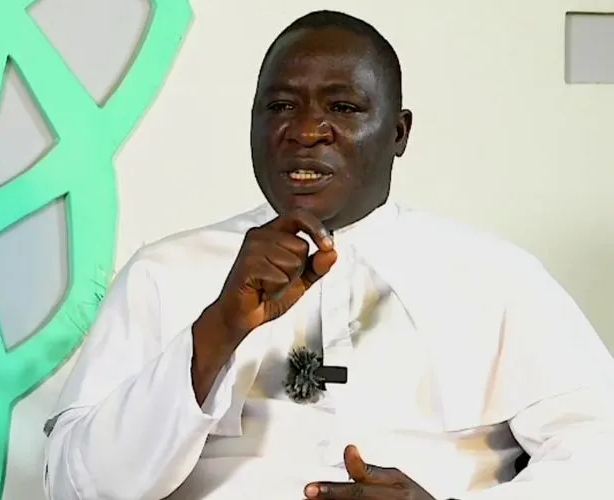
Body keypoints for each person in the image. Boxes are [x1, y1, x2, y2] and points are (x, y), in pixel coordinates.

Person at [42, 10, 614, 500]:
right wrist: (218, 328)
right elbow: (76, 484)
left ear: (398, 133)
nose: (306, 131)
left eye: (342, 107)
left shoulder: (495, 276)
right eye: (280, 106)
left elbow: (600, 451)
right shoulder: (164, 273)